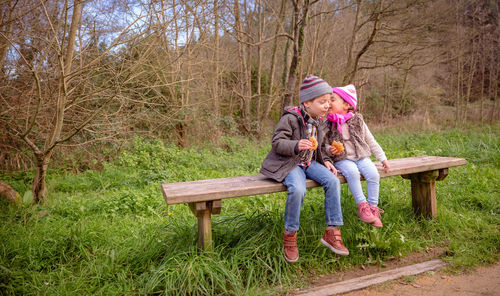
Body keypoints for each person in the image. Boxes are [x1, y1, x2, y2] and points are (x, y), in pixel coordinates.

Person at [260, 75, 349, 263]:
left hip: (309, 163)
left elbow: (320, 146)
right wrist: (295, 145)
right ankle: (290, 235)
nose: (327, 105)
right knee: (298, 189)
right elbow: (277, 142)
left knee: (333, 181)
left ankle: (332, 231)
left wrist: (326, 157)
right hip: (290, 164)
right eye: (322, 101)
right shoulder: (291, 118)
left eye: (328, 101)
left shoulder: (319, 121)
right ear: (307, 102)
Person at [325, 84, 390, 228]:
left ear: (346, 104)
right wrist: (330, 149)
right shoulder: (327, 123)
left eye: (333, 100)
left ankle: (373, 208)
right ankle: (362, 206)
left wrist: (382, 158)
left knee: (373, 174)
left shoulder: (358, 121)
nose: (328, 103)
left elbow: (370, 140)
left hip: (361, 156)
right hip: (342, 159)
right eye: (328, 100)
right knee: (352, 173)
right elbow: (323, 144)